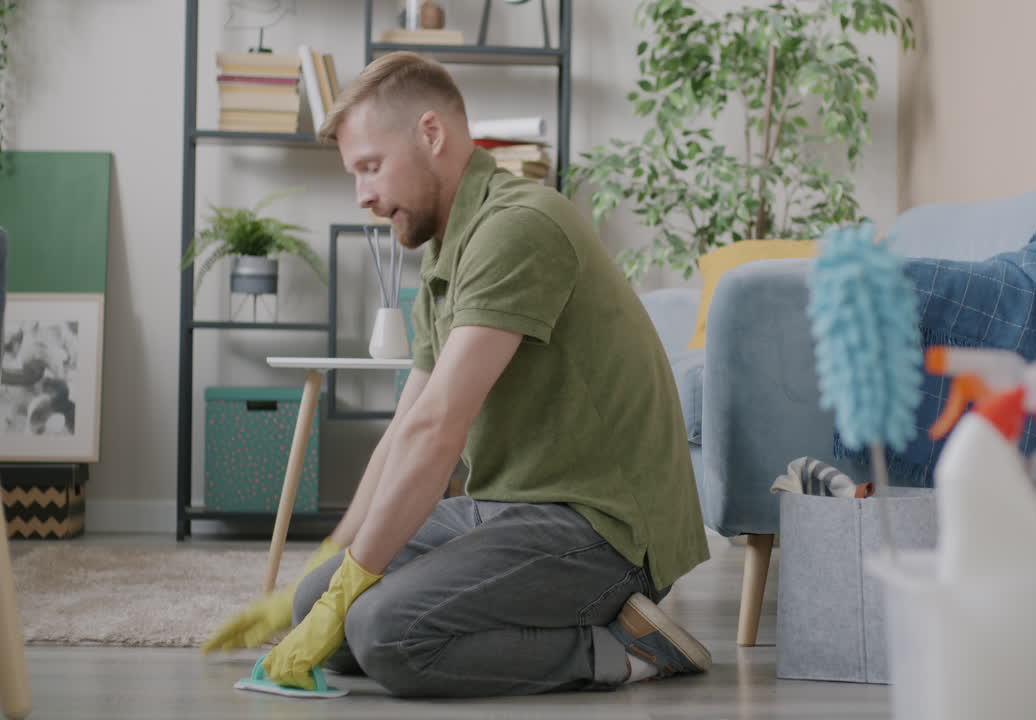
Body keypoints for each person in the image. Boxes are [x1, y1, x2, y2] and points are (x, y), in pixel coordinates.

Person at [202, 51, 711, 697]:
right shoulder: (452, 247)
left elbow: (439, 433)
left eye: (370, 167)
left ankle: (629, 649)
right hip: (512, 507)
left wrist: (355, 585)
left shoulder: (517, 227)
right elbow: (408, 426)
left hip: (602, 526)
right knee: (314, 607)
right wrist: (337, 557)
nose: (363, 195)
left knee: (388, 633)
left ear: (431, 134)